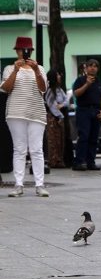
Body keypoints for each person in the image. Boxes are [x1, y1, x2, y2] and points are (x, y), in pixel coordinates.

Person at [0, 36, 49, 197]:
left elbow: (43, 89)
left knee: (37, 149)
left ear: (31, 51)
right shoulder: (9, 68)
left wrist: (35, 70)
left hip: (36, 112)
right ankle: (18, 184)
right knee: (19, 149)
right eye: (21, 50)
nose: (24, 53)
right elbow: (6, 89)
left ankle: (40, 184)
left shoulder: (40, 68)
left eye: (26, 50)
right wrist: (15, 70)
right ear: (17, 51)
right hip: (16, 112)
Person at [72, 59, 101, 170]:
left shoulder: (99, 82)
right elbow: (76, 93)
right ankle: (79, 162)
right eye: (90, 66)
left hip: (95, 111)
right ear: (86, 68)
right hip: (83, 111)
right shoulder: (80, 80)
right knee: (83, 136)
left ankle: (90, 162)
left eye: (95, 66)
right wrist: (87, 84)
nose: (93, 68)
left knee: (93, 138)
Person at [45, 70, 68, 168]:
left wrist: (62, 105)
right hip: (53, 118)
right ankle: (53, 160)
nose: (60, 76)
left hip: (59, 117)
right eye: (58, 74)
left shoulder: (59, 89)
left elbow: (66, 100)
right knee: (53, 139)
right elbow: (52, 105)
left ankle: (59, 159)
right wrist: (60, 116)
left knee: (60, 139)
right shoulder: (50, 90)